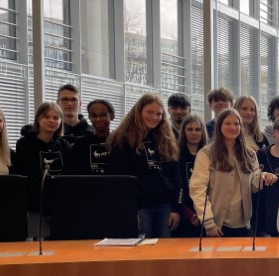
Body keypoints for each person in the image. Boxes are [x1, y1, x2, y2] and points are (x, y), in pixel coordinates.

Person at [107, 93, 182, 238]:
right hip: (139, 207)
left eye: (159, 114)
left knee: (166, 248)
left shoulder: (167, 137)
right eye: (150, 112)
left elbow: (176, 177)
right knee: (142, 247)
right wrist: (128, 210)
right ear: (139, 111)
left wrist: (177, 209)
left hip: (165, 205)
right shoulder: (122, 138)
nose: (154, 117)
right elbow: (119, 180)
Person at [189, 109, 272, 238]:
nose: (233, 127)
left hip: (243, 226)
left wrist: (263, 177)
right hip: (215, 225)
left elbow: (254, 186)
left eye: (236, 123)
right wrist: (208, 223)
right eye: (227, 123)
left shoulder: (249, 154)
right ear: (219, 126)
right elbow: (197, 189)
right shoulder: (206, 153)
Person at [13, 102, 69, 237]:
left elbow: (68, 175)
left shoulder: (64, 144)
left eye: (56, 117)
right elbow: (28, 176)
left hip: (60, 207)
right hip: (36, 208)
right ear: (38, 119)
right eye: (46, 117)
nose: (51, 120)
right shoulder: (24, 144)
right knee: (39, 244)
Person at [175, 113, 207, 237]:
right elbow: (177, 187)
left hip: (205, 213)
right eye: (189, 129)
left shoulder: (209, 156)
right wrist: (188, 213)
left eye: (198, 129)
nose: (194, 133)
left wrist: (202, 213)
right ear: (183, 131)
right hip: (183, 213)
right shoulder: (176, 156)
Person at [68, 99, 115, 175]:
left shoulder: (120, 142)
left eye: (103, 115)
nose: (98, 119)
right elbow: (72, 173)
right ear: (89, 117)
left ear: (112, 116)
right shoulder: (81, 144)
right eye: (93, 116)